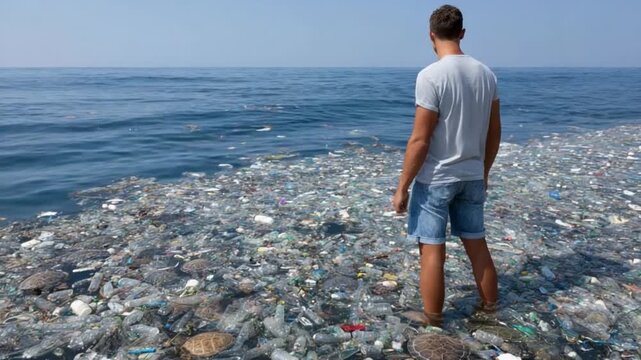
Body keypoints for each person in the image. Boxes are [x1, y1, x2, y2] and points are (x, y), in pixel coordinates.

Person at [392, 4, 501, 327]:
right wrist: (484, 171)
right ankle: (490, 308)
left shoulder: (431, 76)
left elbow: (420, 140)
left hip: (438, 177)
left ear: (431, 35)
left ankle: (433, 318)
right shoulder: (486, 73)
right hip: (471, 174)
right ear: (462, 33)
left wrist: (402, 187)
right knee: (476, 242)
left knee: (432, 249)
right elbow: (494, 132)